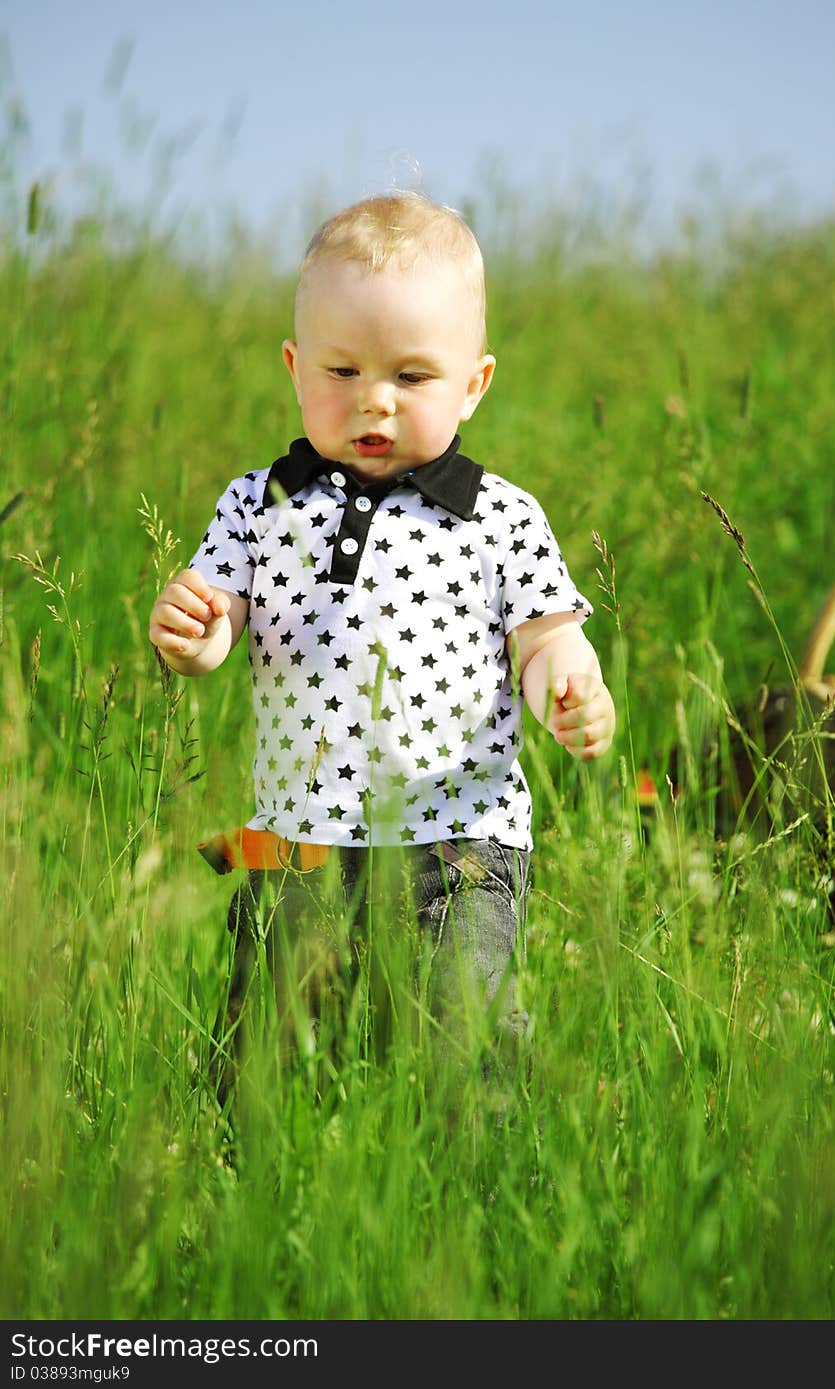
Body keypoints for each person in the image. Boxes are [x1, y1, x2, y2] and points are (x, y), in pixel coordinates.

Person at [148, 192, 616, 1103]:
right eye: (342, 370)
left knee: (458, 1040)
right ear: (294, 369)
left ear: (473, 385)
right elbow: (217, 618)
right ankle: (256, 1186)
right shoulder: (261, 500)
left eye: (411, 376)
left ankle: (482, 1193)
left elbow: (548, 633)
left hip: (457, 842)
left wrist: (569, 685)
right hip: (297, 840)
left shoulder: (500, 516)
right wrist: (193, 636)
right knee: (267, 1054)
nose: (374, 400)